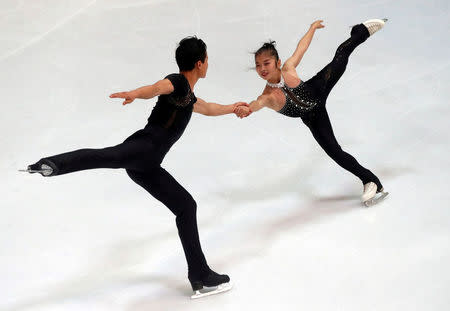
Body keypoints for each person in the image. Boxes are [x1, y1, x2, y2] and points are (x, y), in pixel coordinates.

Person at [21, 36, 243, 298]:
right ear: (199, 63)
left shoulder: (189, 96)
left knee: (186, 206)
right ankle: (52, 165)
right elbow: (158, 87)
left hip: (147, 165)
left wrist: (234, 108)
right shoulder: (178, 82)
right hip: (142, 150)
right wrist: (135, 94)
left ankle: (199, 275)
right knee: (103, 156)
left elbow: (208, 108)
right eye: (207, 59)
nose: (208, 63)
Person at [235, 19, 389, 206]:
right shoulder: (268, 96)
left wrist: (312, 28)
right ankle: (370, 180)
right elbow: (257, 103)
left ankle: (360, 31)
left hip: (318, 87)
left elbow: (302, 48)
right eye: (258, 65)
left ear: (278, 62)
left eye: (266, 63)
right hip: (313, 117)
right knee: (335, 152)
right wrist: (248, 109)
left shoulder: (288, 68)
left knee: (341, 55)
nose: (262, 69)